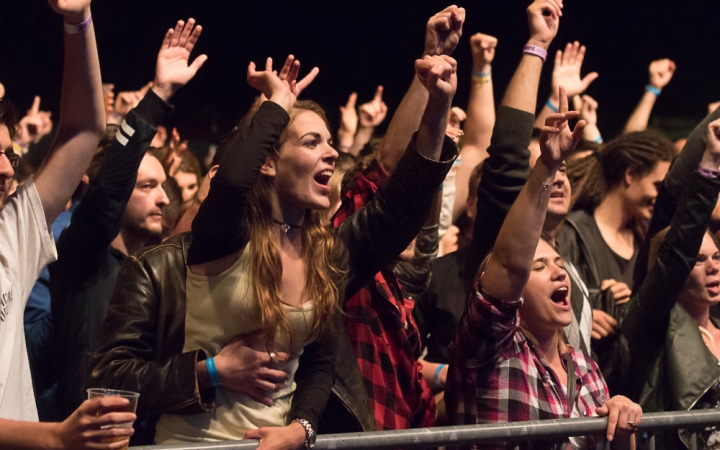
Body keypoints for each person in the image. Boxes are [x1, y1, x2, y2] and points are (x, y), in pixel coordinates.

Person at [446, 70, 641, 450]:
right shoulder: (492, 350)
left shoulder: (584, 367)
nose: (557, 272)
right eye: (538, 268)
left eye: (557, 264)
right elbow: (508, 263)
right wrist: (547, 166)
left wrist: (622, 419)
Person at [50, 18, 205, 419]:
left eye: (162, 185)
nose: (162, 197)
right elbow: (107, 194)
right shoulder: (82, 258)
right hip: (86, 440)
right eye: (146, 186)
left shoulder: (160, 266)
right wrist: (159, 95)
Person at [0, 0, 137, 447]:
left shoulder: (9, 236)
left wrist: (79, 21)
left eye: (9, 154)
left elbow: (82, 129)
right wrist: (57, 437)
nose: (6, 170)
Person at [623, 112, 720, 449]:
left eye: (717, 257)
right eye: (699, 260)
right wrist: (710, 168)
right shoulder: (652, 326)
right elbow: (679, 248)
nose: (713, 268)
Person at [558, 129, 675, 395]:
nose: (662, 195)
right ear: (630, 174)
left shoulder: (646, 239)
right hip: (589, 389)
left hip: (633, 389)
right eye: (658, 185)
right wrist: (587, 314)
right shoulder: (573, 233)